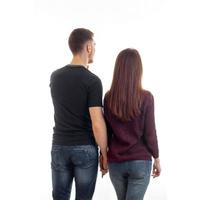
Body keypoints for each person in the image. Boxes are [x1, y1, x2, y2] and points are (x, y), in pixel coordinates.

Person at [50, 28, 108, 200]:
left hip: (59, 146)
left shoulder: (55, 77)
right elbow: (97, 123)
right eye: (94, 45)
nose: (95, 49)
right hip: (85, 148)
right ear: (88, 47)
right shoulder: (93, 81)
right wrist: (104, 154)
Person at [103, 48, 161, 200]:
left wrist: (102, 156)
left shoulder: (109, 98)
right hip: (140, 161)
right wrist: (157, 158)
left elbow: (107, 133)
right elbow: (150, 133)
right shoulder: (146, 97)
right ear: (138, 70)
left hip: (116, 162)